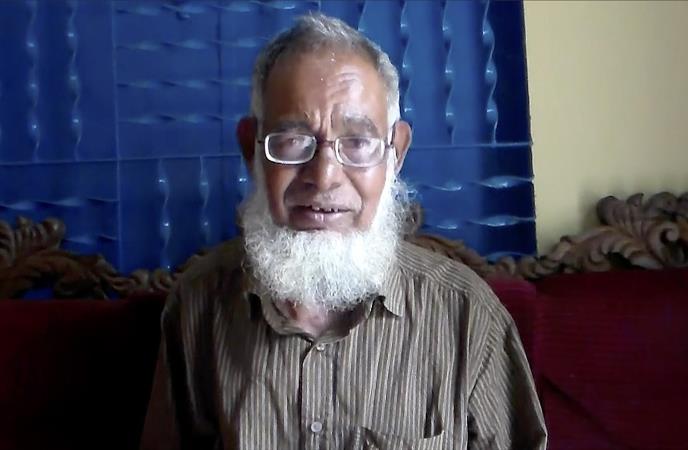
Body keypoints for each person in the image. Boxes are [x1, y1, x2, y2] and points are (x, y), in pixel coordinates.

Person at [141, 12, 546, 450]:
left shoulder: (467, 315)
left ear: (396, 153)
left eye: (357, 142)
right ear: (250, 149)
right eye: (293, 141)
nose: (324, 177)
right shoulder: (198, 305)